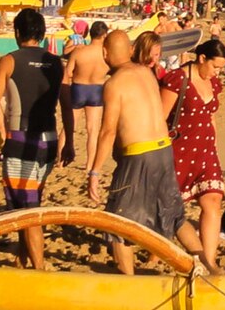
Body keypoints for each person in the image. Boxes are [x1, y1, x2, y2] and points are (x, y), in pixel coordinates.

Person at [88, 31, 205, 275]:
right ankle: (209, 267)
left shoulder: (114, 84)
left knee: (118, 221)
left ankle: (129, 281)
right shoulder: (146, 73)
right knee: (174, 215)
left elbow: (108, 131)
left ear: (104, 54)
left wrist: (95, 171)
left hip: (140, 155)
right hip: (163, 150)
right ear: (131, 50)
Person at [0, 8, 73, 269]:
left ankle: (40, 271)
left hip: (22, 140)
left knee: (28, 211)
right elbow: (67, 105)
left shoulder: (10, 60)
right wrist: (71, 142)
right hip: (49, 139)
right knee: (28, 201)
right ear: (42, 33)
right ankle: (21, 262)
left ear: (17, 32)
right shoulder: (56, 63)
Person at [163, 38, 225, 275]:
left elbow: (211, 116)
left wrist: (215, 145)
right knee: (172, 207)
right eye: (215, 66)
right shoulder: (177, 80)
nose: (217, 72)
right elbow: (161, 117)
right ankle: (155, 250)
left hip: (206, 149)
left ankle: (209, 262)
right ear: (202, 58)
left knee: (212, 201)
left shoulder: (213, 83)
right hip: (179, 149)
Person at [64, 21, 111, 174]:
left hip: (79, 87)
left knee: (69, 126)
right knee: (93, 130)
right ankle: (89, 165)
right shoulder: (106, 55)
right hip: (96, 89)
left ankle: (60, 161)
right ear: (104, 35)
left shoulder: (79, 51)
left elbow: (68, 72)